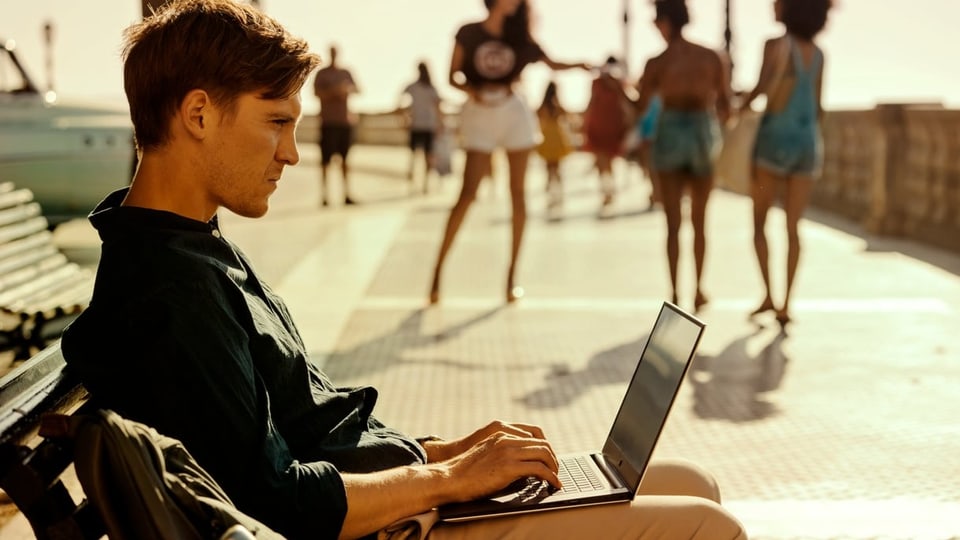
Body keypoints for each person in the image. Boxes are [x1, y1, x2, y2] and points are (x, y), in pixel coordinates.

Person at [60, 1, 747, 539]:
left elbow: (307, 429)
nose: (292, 154)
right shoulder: (171, 292)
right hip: (389, 526)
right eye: (276, 122)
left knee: (688, 479)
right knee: (708, 526)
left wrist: (445, 450)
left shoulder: (190, 246)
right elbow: (283, 504)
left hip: (401, 499)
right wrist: (448, 477)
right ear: (199, 114)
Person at [428, 0, 591, 305]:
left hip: (513, 111)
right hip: (479, 112)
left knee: (518, 193)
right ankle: (437, 273)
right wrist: (473, 92)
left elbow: (553, 64)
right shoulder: (468, 32)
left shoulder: (522, 38)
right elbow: (452, 76)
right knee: (467, 194)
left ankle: (511, 277)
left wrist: (582, 64)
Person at [631, 0, 731, 313]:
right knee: (700, 222)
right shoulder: (712, 57)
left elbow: (640, 108)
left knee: (673, 223)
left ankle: (675, 292)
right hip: (702, 133)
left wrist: (615, 89)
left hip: (671, 135)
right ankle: (698, 289)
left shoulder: (657, 62)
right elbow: (726, 105)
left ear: (665, 21)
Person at [740, 0, 831, 326]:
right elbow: (818, 106)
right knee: (794, 228)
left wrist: (738, 110)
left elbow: (761, 88)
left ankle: (768, 293)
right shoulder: (820, 54)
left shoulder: (776, 45)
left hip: (773, 142)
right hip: (807, 145)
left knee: (760, 223)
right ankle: (786, 304)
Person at [582, 56, 631, 211]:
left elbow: (625, 103)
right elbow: (592, 102)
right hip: (601, 123)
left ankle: (608, 190)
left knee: (607, 159)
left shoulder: (617, 83)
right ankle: (607, 190)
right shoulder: (599, 83)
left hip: (610, 124)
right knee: (603, 160)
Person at [314, 44, 359, 206]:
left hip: (344, 123)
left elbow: (358, 89)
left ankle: (346, 194)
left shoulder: (346, 72)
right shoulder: (322, 74)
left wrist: (347, 90)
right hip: (328, 122)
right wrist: (334, 91)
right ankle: (325, 196)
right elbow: (316, 93)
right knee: (325, 161)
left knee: (346, 161)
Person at [401, 61, 443, 194]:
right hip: (423, 125)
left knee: (418, 155)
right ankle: (422, 184)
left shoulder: (422, 88)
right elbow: (438, 108)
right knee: (423, 156)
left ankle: (420, 183)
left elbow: (438, 107)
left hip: (422, 125)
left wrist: (404, 119)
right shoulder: (425, 88)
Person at [535, 81, 573, 214]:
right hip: (556, 135)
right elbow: (568, 117)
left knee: (548, 168)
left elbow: (537, 118)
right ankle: (558, 192)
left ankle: (551, 193)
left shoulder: (543, 106)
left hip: (546, 136)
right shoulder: (557, 105)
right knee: (557, 168)